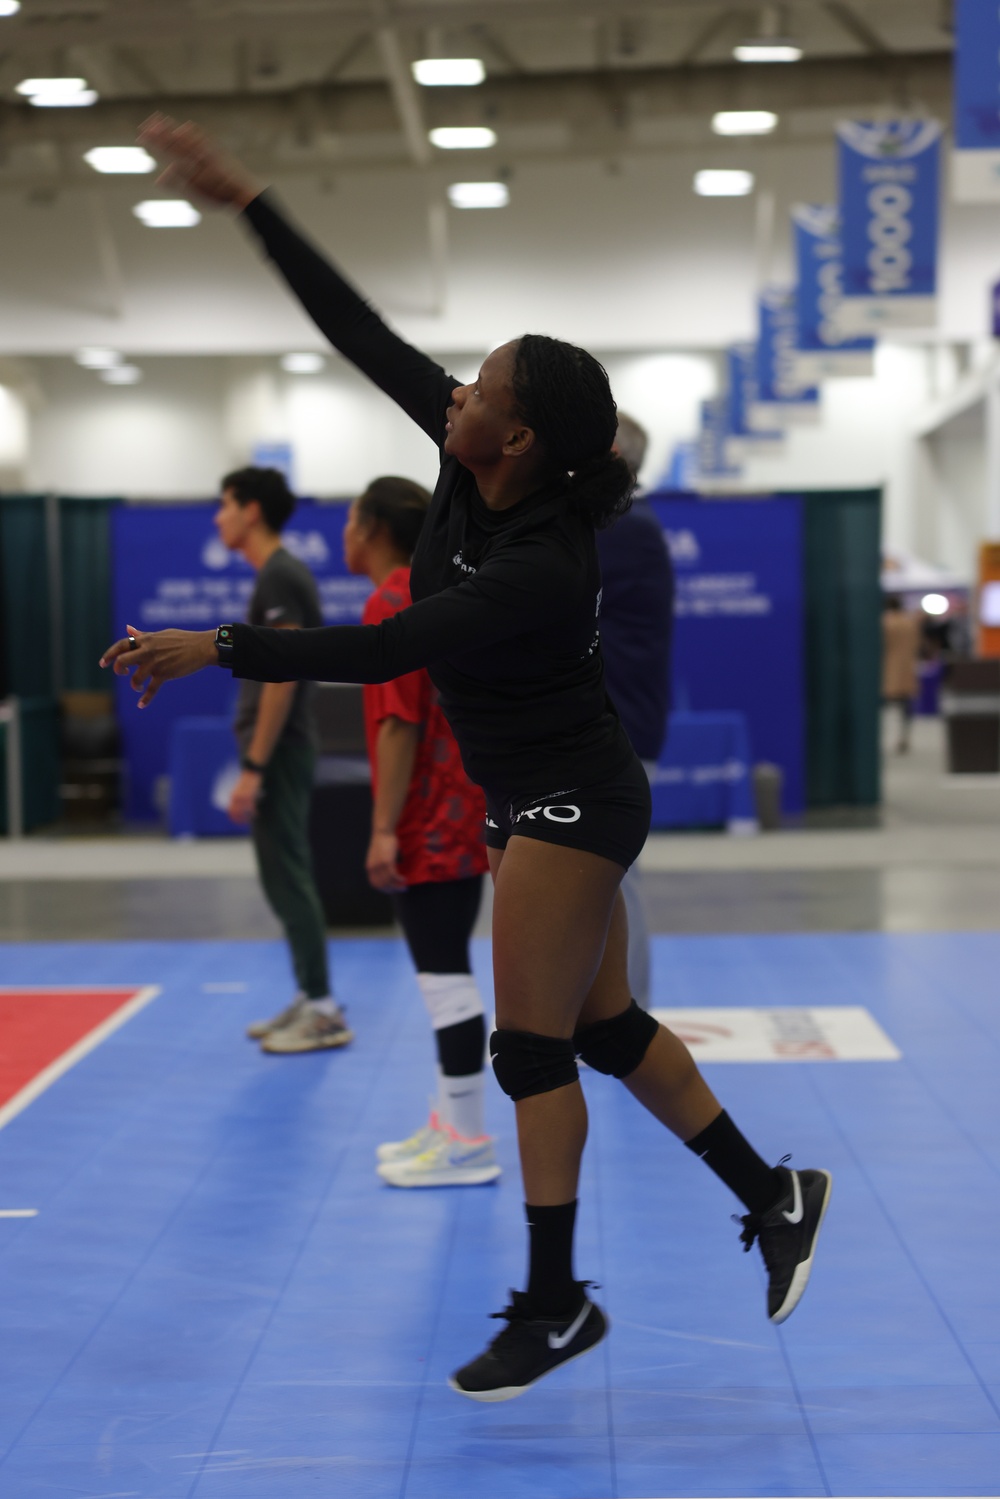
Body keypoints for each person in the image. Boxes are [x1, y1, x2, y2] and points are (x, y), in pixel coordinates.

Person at [103, 115, 832, 1404]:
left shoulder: (542, 563)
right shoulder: (467, 456)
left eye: (484, 390)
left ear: (526, 437)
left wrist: (216, 643)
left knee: (529, 1050)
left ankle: (556, 1305)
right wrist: (248, 200)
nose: (458, 394)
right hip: (543, 791)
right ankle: (774, 1192)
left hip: (574, 797)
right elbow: (358, 328)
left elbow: (388, 651)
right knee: (603, 1026)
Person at [344, 475, 498, 1187]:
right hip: (462, 813)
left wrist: (383, 828)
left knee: (444, 980)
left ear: (374, 528)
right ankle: (451, 1122)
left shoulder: (391, 599)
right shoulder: (437, 587)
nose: (344, 531)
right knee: (447, 973)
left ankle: (468, 1139)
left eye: (350, 518)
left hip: (428, 821)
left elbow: (400, 722)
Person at [217, 466, 351, 1054]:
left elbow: (281, 676)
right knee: (279, 876)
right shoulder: (274, 575)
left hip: (281, 751)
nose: (218, 517)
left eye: (224, 505)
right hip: (276, 751)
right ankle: (309, 992)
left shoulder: (281, 577)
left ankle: (322, 1008)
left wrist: (253, 767)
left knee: (289, 874)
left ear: (251, 511)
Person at [596, 412, 674, 1007]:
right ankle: (613, 1008)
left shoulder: (625, 527)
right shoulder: (621, 523)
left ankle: (632, 1013)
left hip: (615, 725)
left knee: (620, 877)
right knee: (606, 878)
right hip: (612, 721)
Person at [882, 594, 920, 753]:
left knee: (885, 707)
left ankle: (884, 738)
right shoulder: (909, 623)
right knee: (905, 708)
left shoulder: (885, 623)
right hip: (906, 668)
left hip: (887, 669)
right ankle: (904, 738)